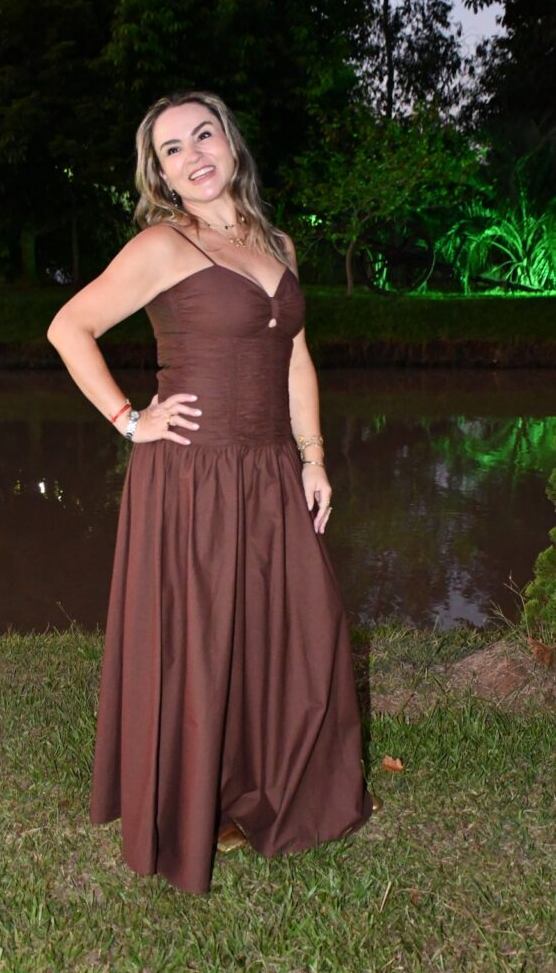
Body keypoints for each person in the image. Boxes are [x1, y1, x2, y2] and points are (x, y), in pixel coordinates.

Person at [47, 90, 374, 895]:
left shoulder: (277, 244)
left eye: (203, 135)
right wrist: (131, 419)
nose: (193, 156)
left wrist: (313, 458)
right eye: (172, 149)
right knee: (199, 642)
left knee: (297, 627)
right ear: (159, 174)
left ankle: (264, 787)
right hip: (192, 475)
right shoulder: (163, 245)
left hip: (269, 470)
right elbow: (68, 328)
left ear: (230, 143)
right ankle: (195, 803)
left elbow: (295, 355)